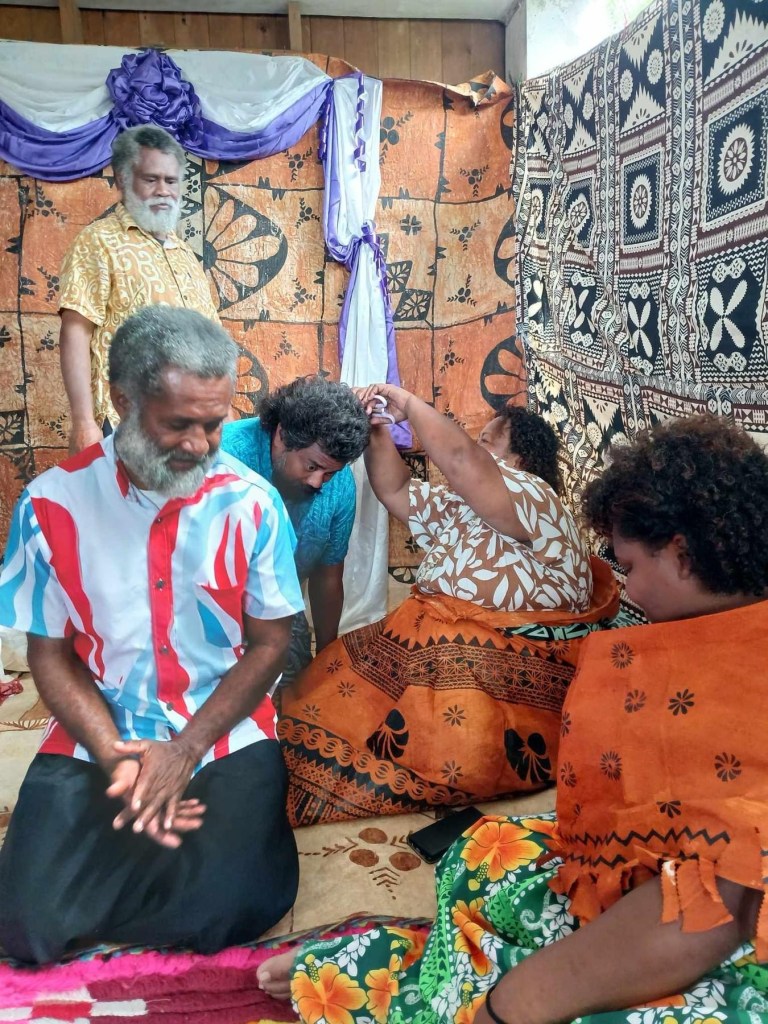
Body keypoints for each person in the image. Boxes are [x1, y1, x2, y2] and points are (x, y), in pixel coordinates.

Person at [258, 413, 768, 1024]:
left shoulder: (526, 498)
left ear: (683, 556)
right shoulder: (714, 631)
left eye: (630, 568)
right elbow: (400, 490)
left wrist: (508, 1008)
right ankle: (416, 971)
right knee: (482, 853)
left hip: (729, 941)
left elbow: (706, 915)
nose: (624, 589)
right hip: (663, 884)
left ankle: (400, 983)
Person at [0, 306, 304, 965]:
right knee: (25, 925)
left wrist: (184, 751)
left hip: (220, 732)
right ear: (122, 400)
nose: (199, 444)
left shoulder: (253, 503)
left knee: (235, 909)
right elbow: (47, 654)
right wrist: (115, 756)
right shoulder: (51, 504)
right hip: (100, 731)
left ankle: (165, 864)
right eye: (177, 424)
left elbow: (270, 644)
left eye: (214, 424)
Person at [279, 383, 619, 826]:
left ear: (520, 459)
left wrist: (411, 405)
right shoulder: (463, 506)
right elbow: (395, 488)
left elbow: (462, 461)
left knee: (417, 743)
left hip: (495, 663)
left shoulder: (536, 497)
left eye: (488, 441)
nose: (475, 446)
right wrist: (379, 428)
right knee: (321, 693)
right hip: (423, 642)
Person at [58, 124, 219, 455]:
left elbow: (213, 341)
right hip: (127, 424)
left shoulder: (184, 254)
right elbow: (76, 331)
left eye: (171, 181)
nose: (163, 190)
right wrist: (84, 421)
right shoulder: (99, 242)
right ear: (122, 180)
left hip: (190, 428)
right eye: (151, 179)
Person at [221, 377, 371, 683]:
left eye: (329, 473)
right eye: (312, 466)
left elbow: (327, 577)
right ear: (281, 436)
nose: (318, 482)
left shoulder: (340, 486)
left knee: (298, 704)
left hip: (276, 607)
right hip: (209, 605)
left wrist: (326, 660)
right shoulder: (224, 457)